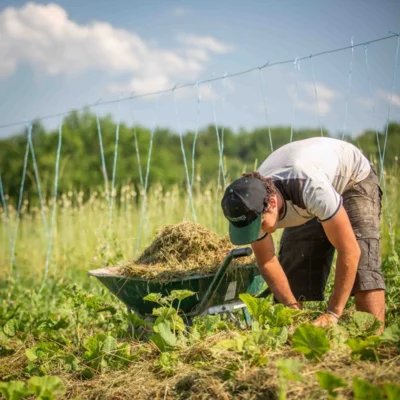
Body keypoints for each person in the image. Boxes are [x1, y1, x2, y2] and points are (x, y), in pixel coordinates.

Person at [221, 137, 385, 328]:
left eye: (259, 224)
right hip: (306, 192)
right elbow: (267, 260)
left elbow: (350, 251)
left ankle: (373, 341)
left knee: (362, 267)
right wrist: (292, 309)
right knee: (294, 266)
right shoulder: (252, 205)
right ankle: (304, 334)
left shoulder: (310, 188)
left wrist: (333, 313)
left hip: (352, 179)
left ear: (272, 203)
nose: (256, 232)